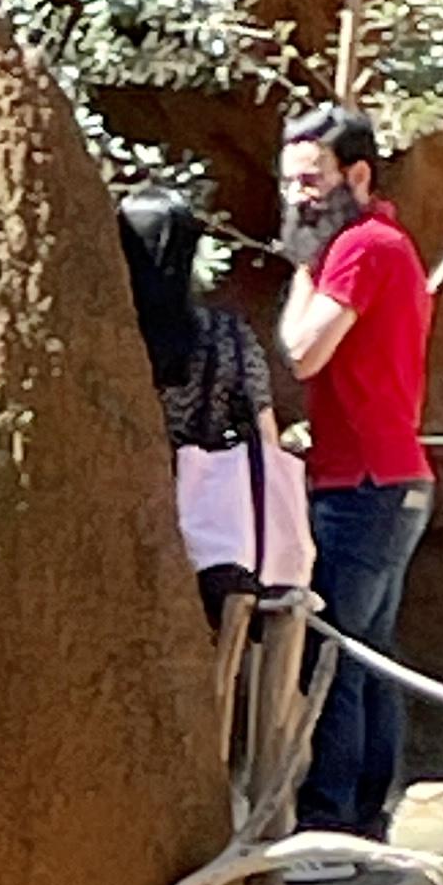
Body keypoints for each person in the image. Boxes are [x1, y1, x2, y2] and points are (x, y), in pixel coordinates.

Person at [277, 100, 436, 879]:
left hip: (365, 482)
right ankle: (368, 823)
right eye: (290, 182)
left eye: (311, 180)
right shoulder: (387, 245)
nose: (299, 196)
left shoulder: (359, 249)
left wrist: (305, 264)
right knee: (369, 655)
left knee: (331, 650)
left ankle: (332, 826)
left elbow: (303, 351)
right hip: (389, 474)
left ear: (358, 174)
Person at [116, 188, 311, 619]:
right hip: (214, 543)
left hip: (125, 530)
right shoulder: (227, 338)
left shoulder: (109, 341)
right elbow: (264, 439)